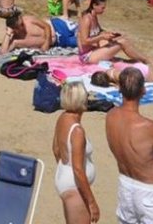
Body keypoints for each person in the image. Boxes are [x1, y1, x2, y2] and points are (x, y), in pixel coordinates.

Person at [105, 67, 153, 224]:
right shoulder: (147, 126)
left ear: (119, 89)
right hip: (149, 192)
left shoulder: (110, 116)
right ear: (143, 91)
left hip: (125, 185)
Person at [53, 81, 99, 224]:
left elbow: (55, 149)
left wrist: (64, 169)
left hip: (64, 176)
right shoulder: (77, 131)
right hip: (74, 186)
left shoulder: (62, 118)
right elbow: (78, 170)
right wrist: (91, 202)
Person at [78, 0, 148, 64]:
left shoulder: (93, 16)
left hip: (93, 49)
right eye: (102, 8)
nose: (104, 10)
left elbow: (99, 31)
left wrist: (110, 34)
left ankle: (140, 59)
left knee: (120, 39)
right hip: (87, 56)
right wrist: (101, 37)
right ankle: (144, 60)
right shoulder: (86, 19)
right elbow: (84, 41)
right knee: (122, 42)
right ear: (94, 5)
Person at [0, 9, 80, 54]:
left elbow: (46, 26)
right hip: (60, 41)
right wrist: (8, 33)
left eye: (22, 24)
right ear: (14, 29)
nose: (22, 27)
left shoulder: (28, 20)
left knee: (86, 31)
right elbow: (2, 53)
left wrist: (46, 43)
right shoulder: (16, 41)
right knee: (83, 42)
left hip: (58, 26)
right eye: (19, 26)